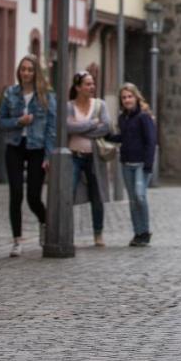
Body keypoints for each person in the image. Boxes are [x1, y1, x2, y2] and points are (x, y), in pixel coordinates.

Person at [0, 55, 56, 257]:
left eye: (30, 69)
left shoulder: (46, 96)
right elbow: (1, 121)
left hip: (36, 148)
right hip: (15, 145)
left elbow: (51, 128)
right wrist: (18, 122)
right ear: (19, 71)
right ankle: (17, 240)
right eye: (23, 69)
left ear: (36, 72)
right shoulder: (10, 94)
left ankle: (46, 222)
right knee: (15, 193)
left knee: (33, 197)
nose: (26, 73)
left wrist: (49, 155)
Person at [46, 71, 111, 245]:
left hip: (94, 157)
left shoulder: (100, 105)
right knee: (69, 193)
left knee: (97, 194)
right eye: (88, 84)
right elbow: (67, 127)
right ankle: (68, 232)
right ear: (78, 87)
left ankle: (98, 234)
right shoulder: (69, 106)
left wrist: (79, 127)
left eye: (92, 84)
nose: (92, 87)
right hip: (74, 157)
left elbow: (105, 127)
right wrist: (91, 124)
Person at [110, 83, 157, 247]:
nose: (127, 100)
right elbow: (123, 138)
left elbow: (151, 142)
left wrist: (148, 165)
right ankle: (137, 233)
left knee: (140, 196)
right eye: (124, 97)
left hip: (141, 164)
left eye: (130, 96)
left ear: (136, 97)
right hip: (126, 164)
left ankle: (145, 231)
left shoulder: (144, 117)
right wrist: (108, 136)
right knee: (132, 200)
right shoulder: (123, 118)